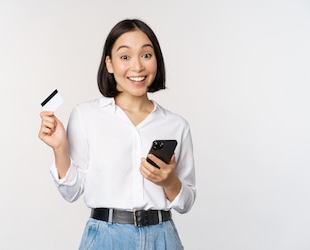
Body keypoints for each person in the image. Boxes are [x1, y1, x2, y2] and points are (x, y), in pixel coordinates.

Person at [38, 19, 196, 250]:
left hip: (162, 237)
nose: (137, 67)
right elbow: (72, 192)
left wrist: (168, 181)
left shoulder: (176, 125)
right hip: (106, 238)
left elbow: (186, 202)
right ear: (109, 64)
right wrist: (60, 148)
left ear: (156, 61)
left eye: (146, 55)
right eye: (125, 57)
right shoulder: (86, 115)